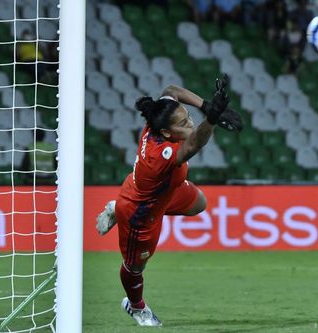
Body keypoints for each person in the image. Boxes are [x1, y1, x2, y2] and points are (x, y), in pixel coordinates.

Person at [95, 75, 242, 327]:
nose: (190, 123)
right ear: (166, 132)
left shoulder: (159, 119)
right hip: (141, 211)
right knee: (135, 267)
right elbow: (195, 143)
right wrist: (212, 119)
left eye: (188, 116)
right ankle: (137, 307)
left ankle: (115, 207)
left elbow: (172, 90)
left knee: (199, 203)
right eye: (184, 123)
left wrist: (206, 105)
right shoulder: (159, 155)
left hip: (161, 191)